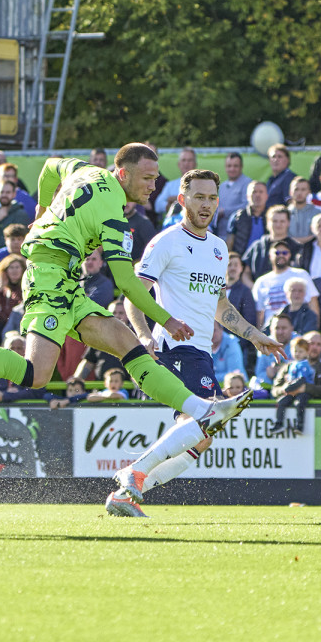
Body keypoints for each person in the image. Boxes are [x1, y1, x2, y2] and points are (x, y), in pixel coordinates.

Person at [0, 156, 268, 506]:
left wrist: (41, 209)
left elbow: (50, 166)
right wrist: (167, 320)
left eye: (156, 178)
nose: (152, 186)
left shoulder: (84, 169)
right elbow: (128, 282)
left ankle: (182, 428)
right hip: (49, 278)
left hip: (68, 280)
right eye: (146, 178)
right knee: (36, 375)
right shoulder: (117, 218)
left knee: (127, 344)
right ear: (123, 173)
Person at [102, 167, 282, 513]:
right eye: (199, 197)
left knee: (203, 436)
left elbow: (220, 305)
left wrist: (254, 334)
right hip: (176, 347)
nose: (206, 204)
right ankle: (134, 474)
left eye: (212, 197)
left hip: (201, 350)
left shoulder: (218, 248)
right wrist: (144, 336)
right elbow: (133, 294)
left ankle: (127, 492)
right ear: (182, 199)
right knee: (202, 420)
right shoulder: (166, 241)